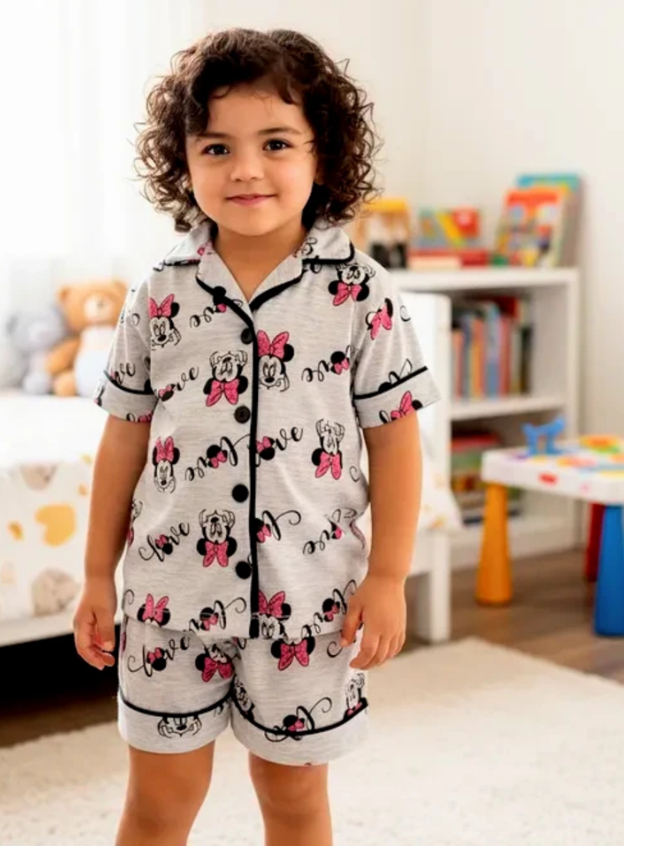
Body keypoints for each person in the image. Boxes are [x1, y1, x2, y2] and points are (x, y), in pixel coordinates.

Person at [73, 27, 440, 846]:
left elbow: (395, 441)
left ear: (322, 154)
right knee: (158, 802)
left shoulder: (362, 294)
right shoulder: (158, 294)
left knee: (294, 799)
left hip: (310, 604)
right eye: (217, 147)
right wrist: (97, 573)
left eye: (275, 143)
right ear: (183, 162)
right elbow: (124, 441)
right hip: (168, 600)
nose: (245, 169)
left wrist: (388, 575)